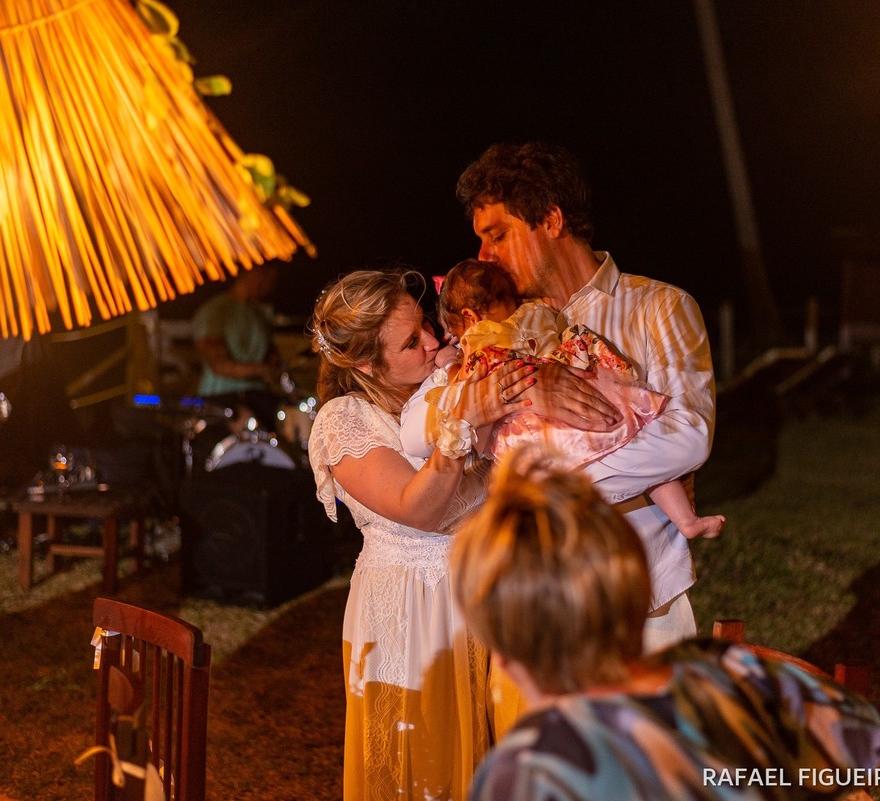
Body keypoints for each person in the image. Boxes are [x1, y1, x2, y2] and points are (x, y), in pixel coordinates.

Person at [305, 268, 613, 801]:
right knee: (424, 773)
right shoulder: (344, 419)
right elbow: (416, 508)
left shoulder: (447, 385)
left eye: (425, 324)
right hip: (411, 614)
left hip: (487, 596)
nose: (432, 340)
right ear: (363, 363)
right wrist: (464, 422)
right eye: (409, 342)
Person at [450, 452, 880, 801]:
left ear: (505, 658)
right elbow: (864, 739)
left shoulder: (525, 766)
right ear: (638, 597)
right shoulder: (714, 678)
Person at [456, 141, 717, 651]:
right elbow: (447, 424)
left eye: (498, 235)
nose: (484, 256)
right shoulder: (498, 327)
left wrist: (539, 486)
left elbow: (688, 437)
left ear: (551, 221)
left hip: (637, 599)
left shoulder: (659, 308)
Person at [400, 259, 724, 541]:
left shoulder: (482, 339)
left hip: (545, 427)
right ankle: (687, 520)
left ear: (469, 317)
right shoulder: (539, 311)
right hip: (599, 394)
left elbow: (469, 385)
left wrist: (451, 364)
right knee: (633, 436)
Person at [191, 263, 286, 427]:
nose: (273, 285)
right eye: (271, 277)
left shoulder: (260, 316)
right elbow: (219, 365)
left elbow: (273, 360)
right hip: (221, 398)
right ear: (254, 272)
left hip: (259, 396)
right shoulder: (215, 311)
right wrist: (261, 370)